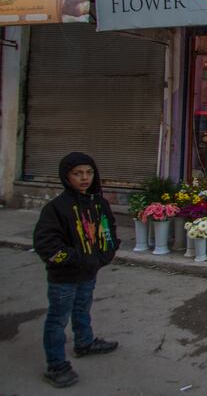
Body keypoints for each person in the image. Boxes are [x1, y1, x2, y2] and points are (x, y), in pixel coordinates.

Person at [33, 152, 120, 388]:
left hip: (89, 273)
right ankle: (56, 366)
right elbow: (46, 244)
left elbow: (108, 229)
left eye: (89, 173)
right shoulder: (57, 208)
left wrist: (106, 253)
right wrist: (76, 259)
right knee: (57, 320)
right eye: (77, 173)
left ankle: (85, 342)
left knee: (82, 309)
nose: (84, 178)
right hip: (64, 276)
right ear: (66, 176)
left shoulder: (98, 203)